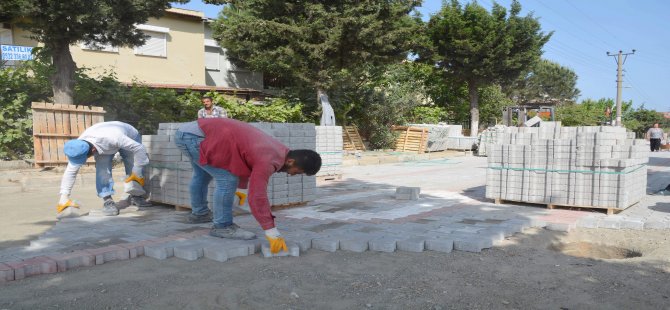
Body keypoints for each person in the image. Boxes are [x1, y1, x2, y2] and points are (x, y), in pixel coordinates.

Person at [174, 118, 321, 254]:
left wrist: (241, 189)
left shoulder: (279, 150)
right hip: (194, 138)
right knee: (227, 180)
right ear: (291, 162)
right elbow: (258, 196)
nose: (293, 175)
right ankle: (222, 226)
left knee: (202, 175)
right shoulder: (269, 160)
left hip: (191, 132)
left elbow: (243, 159)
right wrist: (271, 231)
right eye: (298, 172)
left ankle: (200, 214)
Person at [57, 121, 151, 219]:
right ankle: (107, 200)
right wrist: (64, 196)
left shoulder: (114, 138)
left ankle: (136, 195)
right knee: (102, 169)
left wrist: (137, 170)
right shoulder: (78, 147)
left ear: (93, 150)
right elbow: (70, 172)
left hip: (127, 135)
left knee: (132, 163)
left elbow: (139, 148)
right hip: (104, 139)